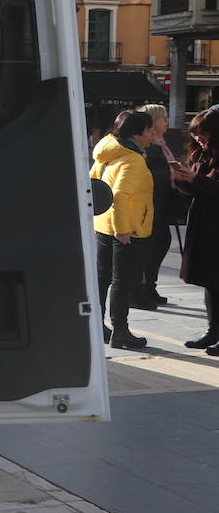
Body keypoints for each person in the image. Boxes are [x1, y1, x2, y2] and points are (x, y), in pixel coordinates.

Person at [90, 109, 155, 350]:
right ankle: (121, 332)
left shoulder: (107, 151)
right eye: (149, 130)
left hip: (103, 225)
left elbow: (94, 186)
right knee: (121, 281)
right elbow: (120, 196)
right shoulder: (133, 158)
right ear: (137, 133)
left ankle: (97, 326)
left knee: (102, 278)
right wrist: (123, 230)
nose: (152, 135)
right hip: (124, 229)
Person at [173, 109, 219, 352]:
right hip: (205, 225)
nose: (199, 137)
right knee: (211, 281)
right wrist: (182, 178)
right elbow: (199, 189)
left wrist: (195, 180)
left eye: (203, 133)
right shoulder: (202, 153)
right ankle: (213, 331)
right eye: (196, 134)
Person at [135, 104, 180, 310]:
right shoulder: (149, 147)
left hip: (160, 206)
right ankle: (143, 288)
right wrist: (171, 174)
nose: (167, 121)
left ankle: (149, 286)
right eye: (163, 117)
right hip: (150, 207)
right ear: (153, 121)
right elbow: (146, 177)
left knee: (160, 243)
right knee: (151, 247)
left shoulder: (160, 144)